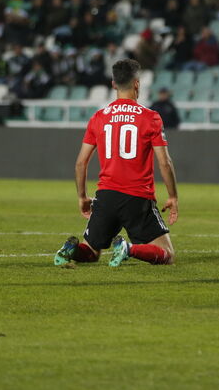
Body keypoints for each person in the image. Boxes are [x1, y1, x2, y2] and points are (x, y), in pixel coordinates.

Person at [53, 59, 179, 268]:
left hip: (106, 197)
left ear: (113, 84)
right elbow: (164, 162)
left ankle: (71, 250)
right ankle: (128, 249)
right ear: (137, 84)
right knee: (167, 254)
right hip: (137, 198)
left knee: (91, 252)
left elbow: (80, 163)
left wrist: (83, 197)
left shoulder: (99, 117)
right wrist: (173, 196)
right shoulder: (151, 118)